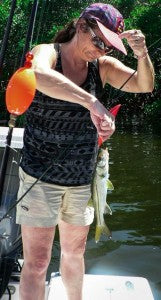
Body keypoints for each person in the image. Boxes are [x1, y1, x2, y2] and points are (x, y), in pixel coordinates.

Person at [16, 3, 154, 300]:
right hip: (39, 177)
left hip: (82, 179)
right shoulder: (48, 53)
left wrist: (142, 54)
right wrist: (92, 103)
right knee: (38, 263)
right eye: (98, 41)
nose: (102, 50)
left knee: (74, 254)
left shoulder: (101, 67)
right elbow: (38, 75)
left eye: (109, 45)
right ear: (81, 27)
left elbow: (144, 84)